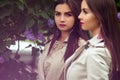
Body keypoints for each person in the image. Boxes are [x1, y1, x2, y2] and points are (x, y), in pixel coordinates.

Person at [65, 0, 120, 80]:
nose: (79, 16)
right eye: (81, 11)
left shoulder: (95, 54)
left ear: (99, 15)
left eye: (85, 12)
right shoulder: (106, 45)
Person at [37, 0, 88, 80]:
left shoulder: (81, 46)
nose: (62, 19)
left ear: (77, 16)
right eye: (58, 14)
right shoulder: (50, 41)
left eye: (68, 15)